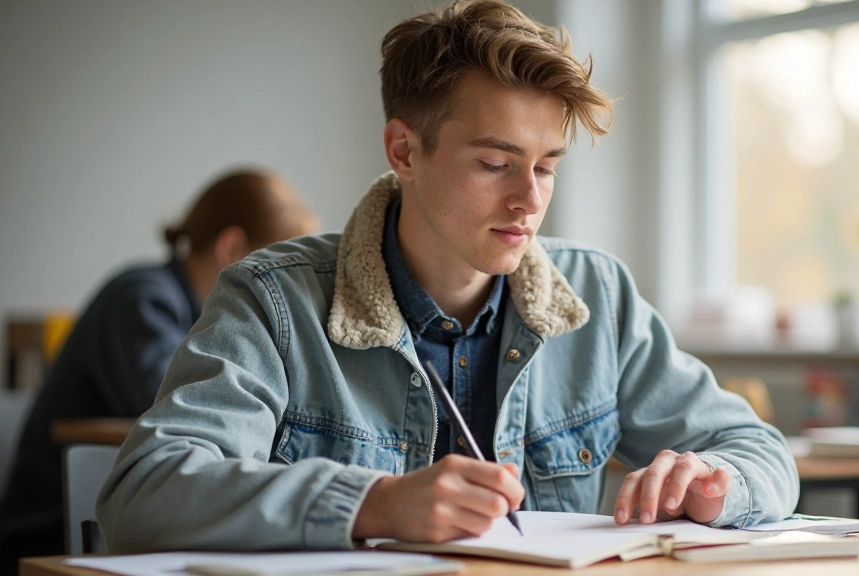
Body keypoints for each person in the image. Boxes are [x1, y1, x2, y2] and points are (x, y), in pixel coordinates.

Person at [96, 0, 799, 553]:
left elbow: (764, 454)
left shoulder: (599, 296)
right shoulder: (275, 298)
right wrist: (372, 505)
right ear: (405, 149)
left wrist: (718, 485)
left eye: (547, 165)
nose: (530, 199)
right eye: (495, 163)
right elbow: (143, 495)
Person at [0, 170, 317, 572]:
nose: (287, 293)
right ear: (233, 247)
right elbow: (186, 407)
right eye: (278, 270)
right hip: (53, 537)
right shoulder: (143, 299)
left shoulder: (182, 309)